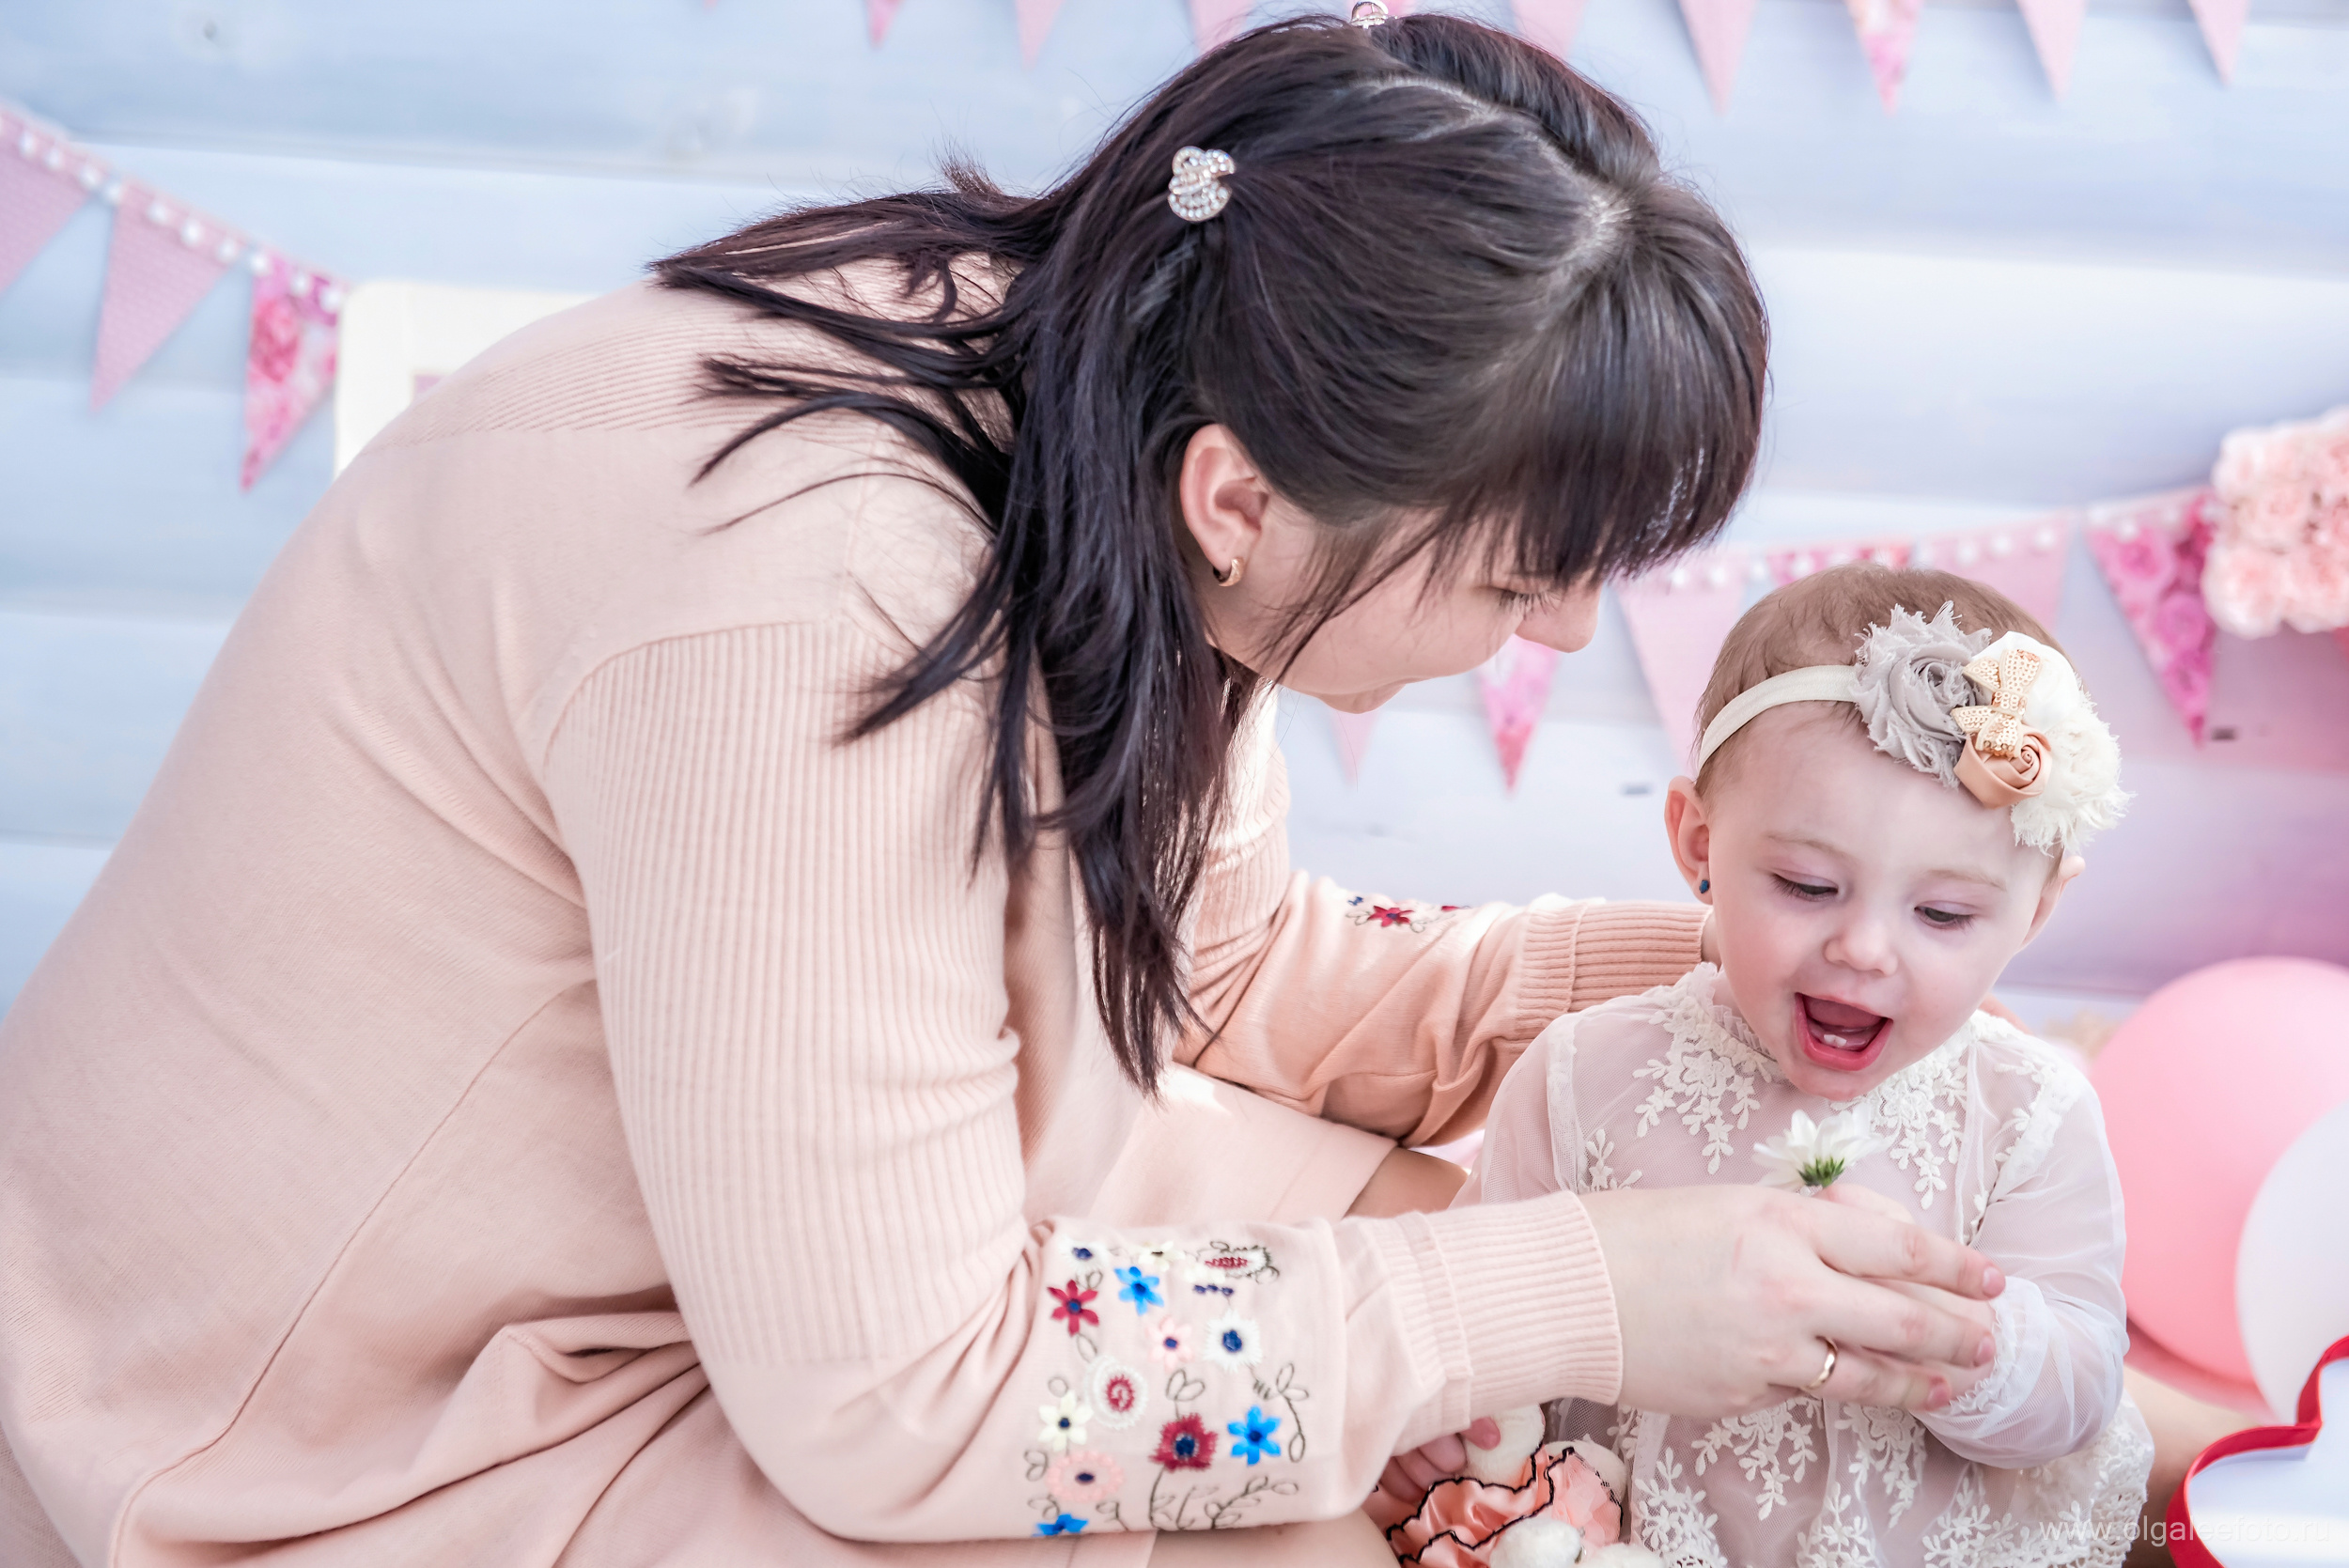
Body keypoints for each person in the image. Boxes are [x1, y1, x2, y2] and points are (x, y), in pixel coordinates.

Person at [0, 15, 2008, 1567]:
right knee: (1391, 1441)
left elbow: (1210, 974)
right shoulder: (804, 616)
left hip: (759, 1264)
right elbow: (897, 1397)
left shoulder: (1121, 414)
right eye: (1512, 576)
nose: (1565, 635)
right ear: (1248, 498)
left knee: (1538, 1236)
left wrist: (1735, 976)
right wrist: (1567, 1295)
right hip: (345, 1421)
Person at [1391, 565, 2155, 1566]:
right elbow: (1488, 1300)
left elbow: (2081, 1386)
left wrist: (1961, 1336)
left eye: (1943, 914)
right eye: (1806, 884)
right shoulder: (1583, 1073)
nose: (1866, 949)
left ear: (2034, 911)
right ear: (1697, 842)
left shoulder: (2026, 1108)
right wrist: (1445, 1421)